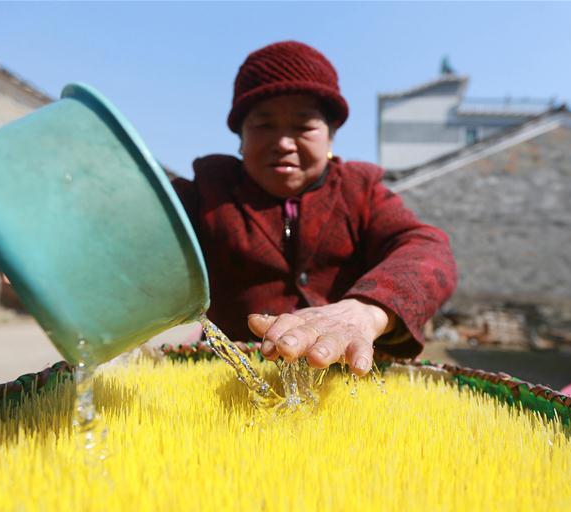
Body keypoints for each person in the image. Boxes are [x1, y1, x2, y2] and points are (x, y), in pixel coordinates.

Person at [172, 41, 457, 376]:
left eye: (304, 126)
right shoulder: (207, 192)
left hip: (343, 380)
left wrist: (367, 310)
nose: (283, 143)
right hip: (232, 380)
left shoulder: (360, 192)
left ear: (331, 136)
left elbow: (427, 249)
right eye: (264, 125)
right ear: (241, 137)